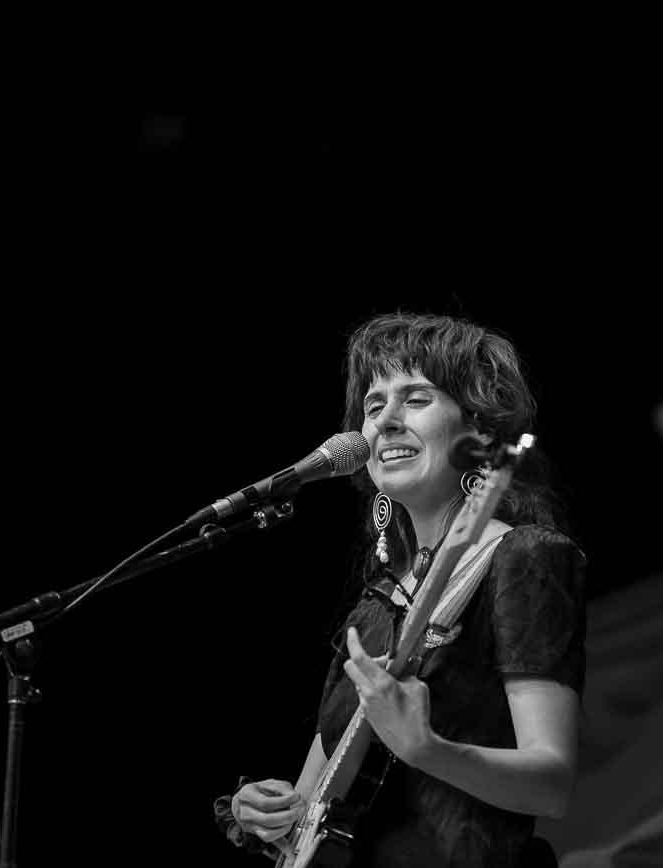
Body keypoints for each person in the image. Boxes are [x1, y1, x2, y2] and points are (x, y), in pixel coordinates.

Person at [215, 311, 589, 867]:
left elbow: (551, 784)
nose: (386, 420)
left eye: (415, 399)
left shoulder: (524, 557)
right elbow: (315, 805)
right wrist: (270, 815)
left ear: (480, 430)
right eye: (373, 405)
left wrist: (427, 750)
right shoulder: (374, 608)